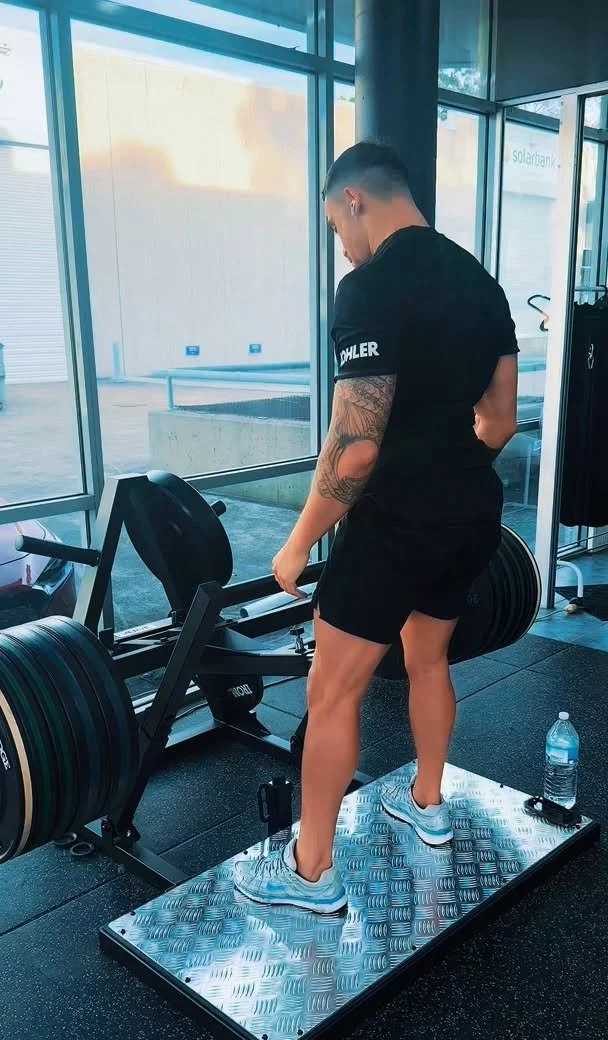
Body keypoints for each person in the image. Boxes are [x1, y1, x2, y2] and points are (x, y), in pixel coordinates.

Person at [234, 141, 518, 914]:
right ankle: (428, 803)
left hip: (396, 524)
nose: (342, 244)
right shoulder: (482, 284)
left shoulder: (368, 288)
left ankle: (310, 874)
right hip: (470, 515)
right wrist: (449, 471)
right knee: (429, 661)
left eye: (337, 225)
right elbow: (499, 420)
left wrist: (297, 542)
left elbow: (355, 446)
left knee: (332, 691)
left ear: (355, 200)